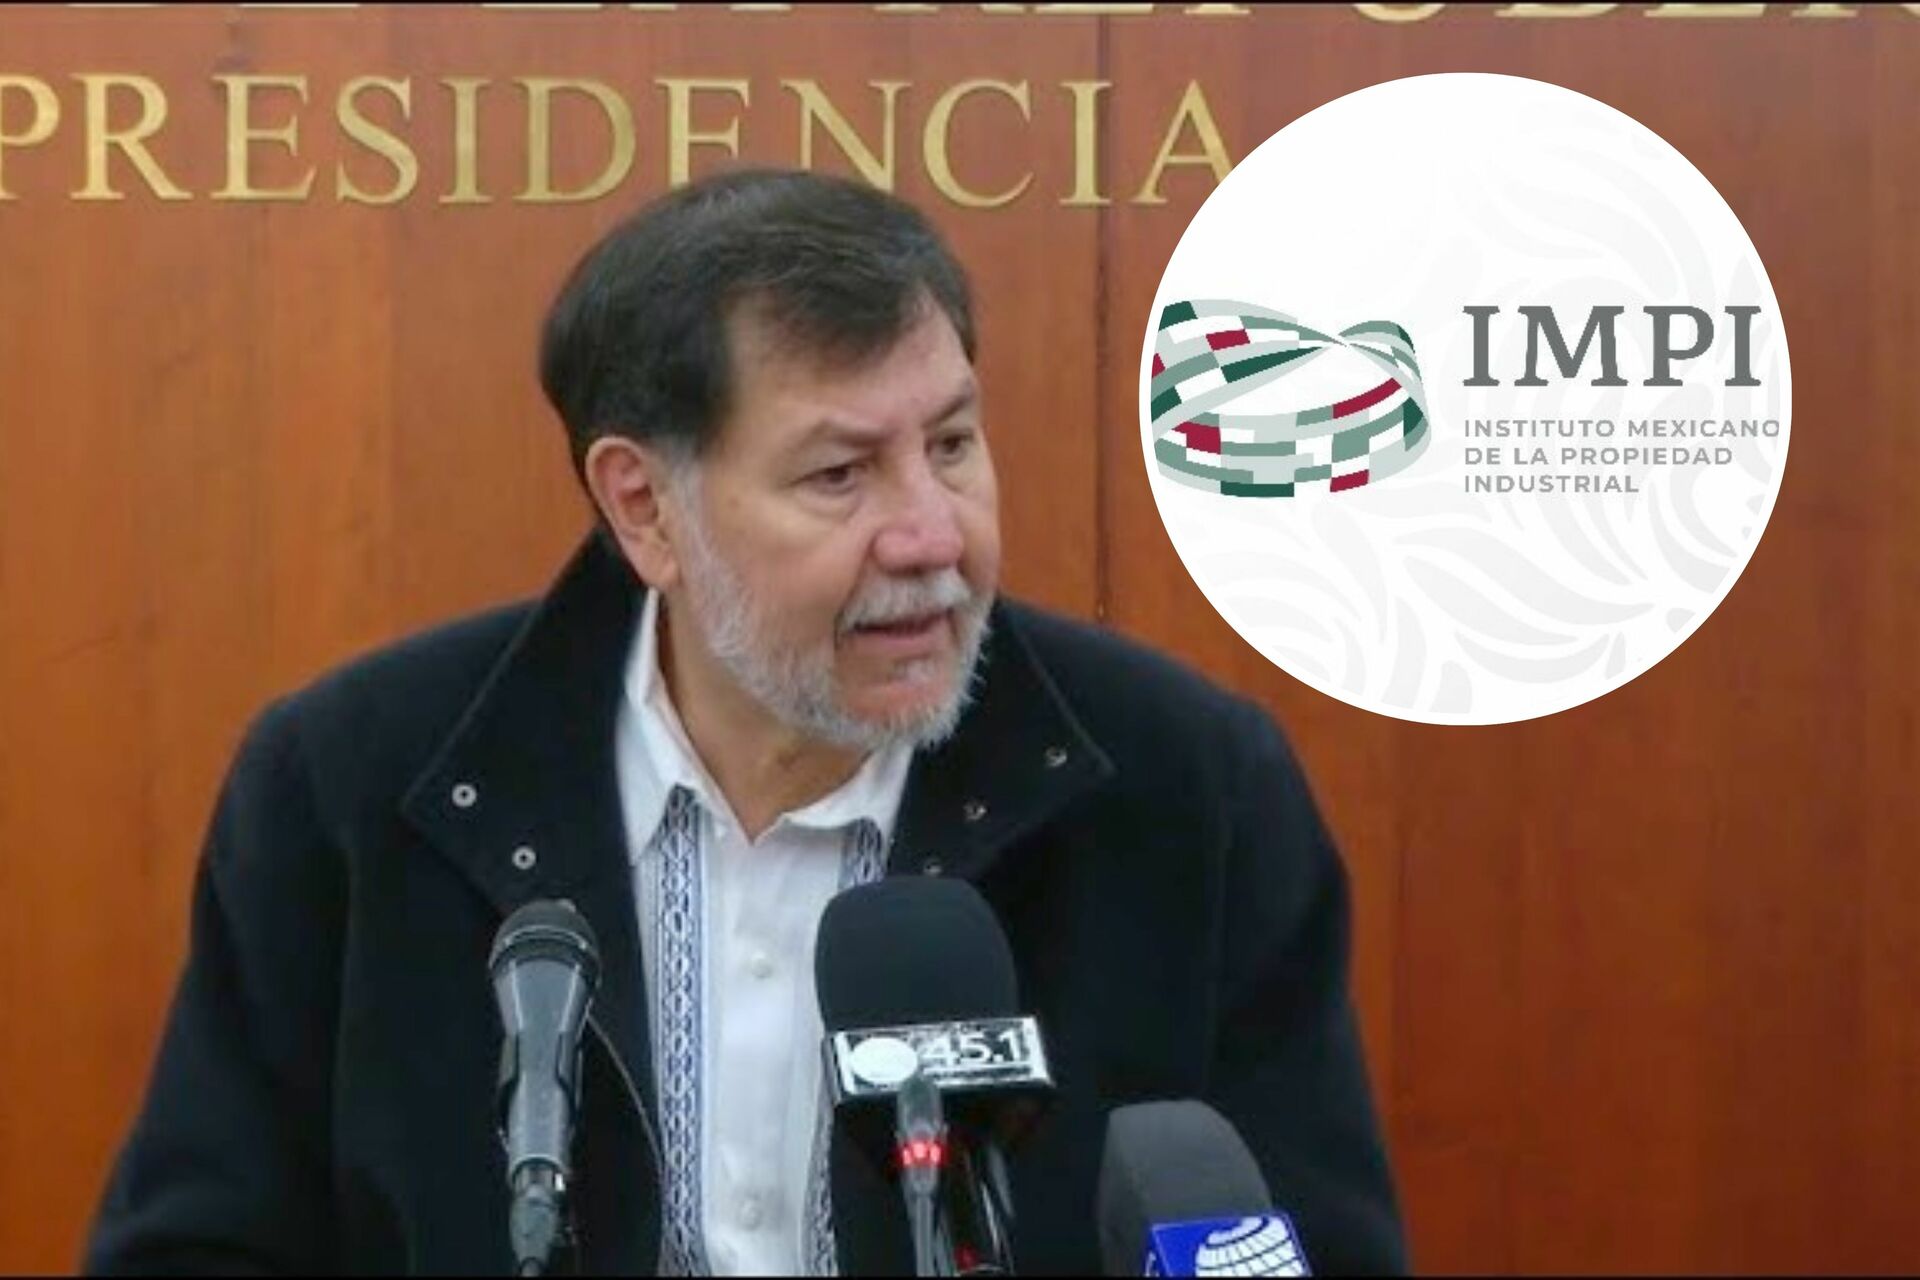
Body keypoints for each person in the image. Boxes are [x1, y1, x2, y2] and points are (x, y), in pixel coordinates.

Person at [85, 169, 1406, 1276]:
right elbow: (200, 1247)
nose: (932, 535)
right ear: (644, 508)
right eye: (840, 473)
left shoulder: (1185, 792)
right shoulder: (353, 788)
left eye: (952, 445)